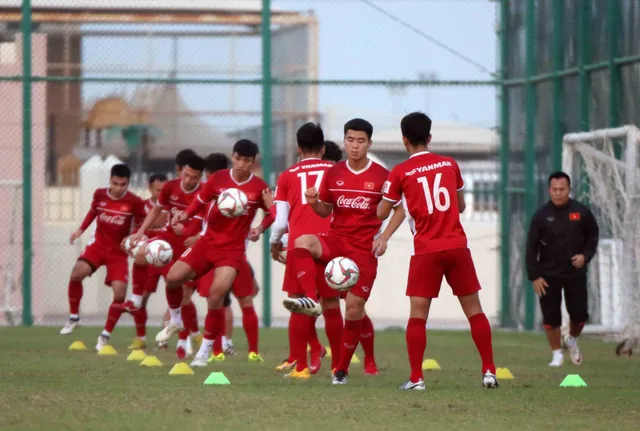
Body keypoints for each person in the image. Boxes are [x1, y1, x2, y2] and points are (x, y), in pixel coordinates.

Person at [378, 112, 498, 390]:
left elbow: (382, 211)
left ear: (404, 140)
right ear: (429, 138)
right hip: (457, 246)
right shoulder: (449, 164)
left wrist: (384, 200)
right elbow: (462, 206)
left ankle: (417, 378)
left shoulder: (400, 172)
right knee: (474, 311)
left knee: (418, 315)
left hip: (426, 250)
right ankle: (489, 371)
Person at [283, 118, 405, 384]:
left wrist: (383, 237)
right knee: (303, 241)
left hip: (364, 250)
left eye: (361, 141)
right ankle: (308, 301)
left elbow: (399, 210)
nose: (355, 146)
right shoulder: (334, 172)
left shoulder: (382, 175)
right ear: (344, 141)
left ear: (369, 143)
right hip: (337, 241)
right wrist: (315, 203)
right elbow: (326, 210)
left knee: (353, 310)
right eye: (350, 140)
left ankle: (342, 370)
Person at [156, 139, 273, 366]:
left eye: (246, 161)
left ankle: (205, 350)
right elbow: (199, 201)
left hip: (232, 250)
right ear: (232, 156)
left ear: (252, 162)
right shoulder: (218, 179)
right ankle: (176, 320)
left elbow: (273, 213)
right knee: (172, 278)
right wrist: (186, 215)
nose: (241, 164)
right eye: (238, 159)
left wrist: (260, 228)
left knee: (216, 295)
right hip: (207, 242)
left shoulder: (259, 187)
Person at [269, 123, 335, 378]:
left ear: (298, 149)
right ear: (323, 148)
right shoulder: (334, 170)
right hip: (330, 245)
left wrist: (275, 244)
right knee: (330, 307)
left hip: (299, 247)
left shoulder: (287, 176)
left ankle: (301, 367)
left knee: (299, 304)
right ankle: (336, 366)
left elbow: (280, 222)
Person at [125, 154, 206, 359]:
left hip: (189, 245)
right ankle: (135, 299)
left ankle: (183, 339)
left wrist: (194, 236)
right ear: (181, 172)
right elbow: (156, 210)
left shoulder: (205, 193)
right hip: (168, 238)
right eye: (186, 175)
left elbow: (208, 223)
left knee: (184, 295)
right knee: (141, 253)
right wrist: (141, 231)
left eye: (193, 178)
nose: (188, 181)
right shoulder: (170, 186)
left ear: (200, 177)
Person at [60, 164, 147, 352]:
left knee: (119, 294)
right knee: (76, 273)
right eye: (115, 183)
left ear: (128, 183)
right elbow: (93, 212)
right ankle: (74, 318)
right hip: (98, 247)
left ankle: (105, 335)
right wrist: (80, 230)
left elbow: (143, 222)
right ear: (110, 180)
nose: (118, 188)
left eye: (123, 184)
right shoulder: (99, 195)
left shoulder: (135, 202)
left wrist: (133, 236)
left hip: (118, 253)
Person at [525, 171, 599, 367]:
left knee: (579, 315)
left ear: (569, 190)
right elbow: (531, 247)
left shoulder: (582, 212)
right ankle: (556, 354)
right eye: (555, 190)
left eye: (562, 189)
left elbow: (593, 236)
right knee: (551, 317)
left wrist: (585, 256)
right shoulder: (541, 216)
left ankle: (572, 340)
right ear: (549, 190)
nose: (558, 193)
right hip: (548, 275)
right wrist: (535, 276)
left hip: (575, 274)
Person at [126, 173, 168, 350]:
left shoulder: (171, 207)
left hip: (167, 257)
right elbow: (133, 230)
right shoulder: (141, 207)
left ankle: (164, 337)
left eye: (164, 189)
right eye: (159, 189)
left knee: (178, 295)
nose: (162, 193)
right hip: (147, 259)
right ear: (150, 188)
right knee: (141, 299)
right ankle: (140, 337)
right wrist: (130, 244)